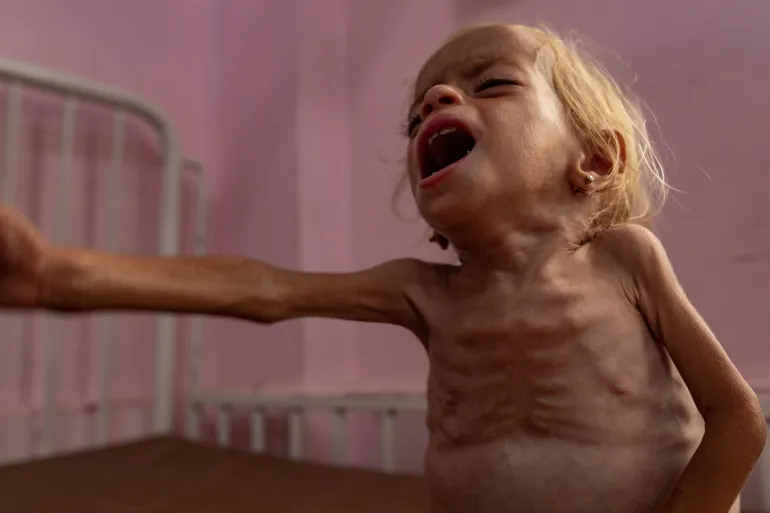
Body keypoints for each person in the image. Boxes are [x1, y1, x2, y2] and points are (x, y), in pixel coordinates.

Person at [0, 23, 764, 513]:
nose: (437, 100)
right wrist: (58, 275)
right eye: (416, 115)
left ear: (595, 157)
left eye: (492, 82)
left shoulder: (625, 260)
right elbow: (264, 289)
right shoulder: (426, 291)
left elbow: (738, 420)